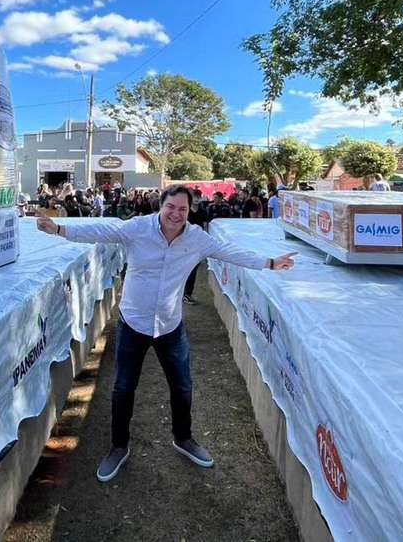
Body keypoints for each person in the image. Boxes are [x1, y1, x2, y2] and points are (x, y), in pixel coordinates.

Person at [36, 186, 297, 482]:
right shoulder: (138, 228)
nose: (175, 214)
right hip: (133, 323)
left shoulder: (197, 239)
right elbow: (103, 229)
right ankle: (119, 447)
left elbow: (230, 252)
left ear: (190, 211)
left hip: (170, 327)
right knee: (123, 389)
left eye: (182, 209)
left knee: (182, 387)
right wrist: (59, 228)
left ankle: (183, 438)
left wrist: (270, 263)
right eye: (170, 207)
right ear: (161, 206)